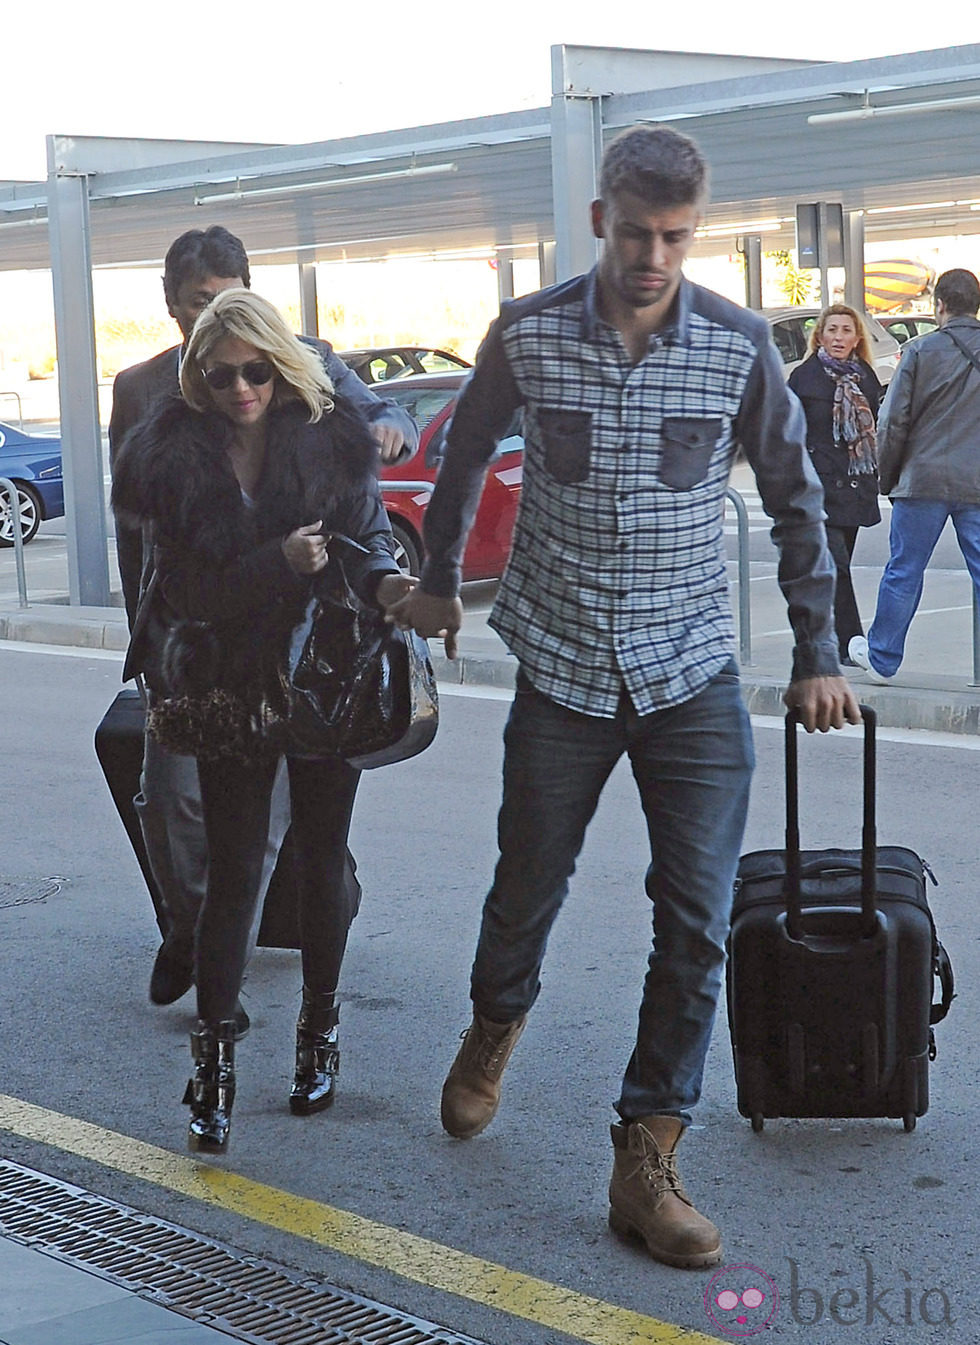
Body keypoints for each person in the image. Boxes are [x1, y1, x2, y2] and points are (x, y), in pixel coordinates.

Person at [390, 124, 859, 1270]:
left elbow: (798, 504)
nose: (654, 254)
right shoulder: (528, 334)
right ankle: (496, 1017)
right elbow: (459, 464)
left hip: (689, 672)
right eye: (637, 232)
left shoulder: (740, 347)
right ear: (600, 220)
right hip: (558, 665)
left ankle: (645, 1151)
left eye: (676, 236)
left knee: (692, 920)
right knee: (524, 888)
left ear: (692, 231)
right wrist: (442, 583)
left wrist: (815, 651)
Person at [112, 288, 410, 1152]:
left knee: (323, 858)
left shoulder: (332, 439)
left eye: (257, 371)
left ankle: (319, 1031)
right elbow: (187, 592)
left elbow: (368, 544)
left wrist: (395, 590)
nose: (242, 388)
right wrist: (275, 563)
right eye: (222, 375)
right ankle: (212, 1067)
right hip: (229, 683)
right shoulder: (173, 460)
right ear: (198, 379)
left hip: (325, 677)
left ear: (281, 366)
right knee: (234, 870)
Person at [849, 268, 980, 683]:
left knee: (905, 568)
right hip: (977, 481)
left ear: (938, 305)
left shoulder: (920, 351)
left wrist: (885, 479)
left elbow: (893, 423)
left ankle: (883, 657)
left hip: (921, 480)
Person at [787, 304, 883, 664]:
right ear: (820, 336)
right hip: (819, 485)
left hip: (855, 485)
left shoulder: (866, 378)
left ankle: (816, 639)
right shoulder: (804, 377)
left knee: (832, 569)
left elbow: (872, 430)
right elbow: (789, 431)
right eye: (832, 330)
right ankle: (851, 642)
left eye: (846, 330)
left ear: (857, 338)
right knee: (837, 566)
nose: (839, 337)